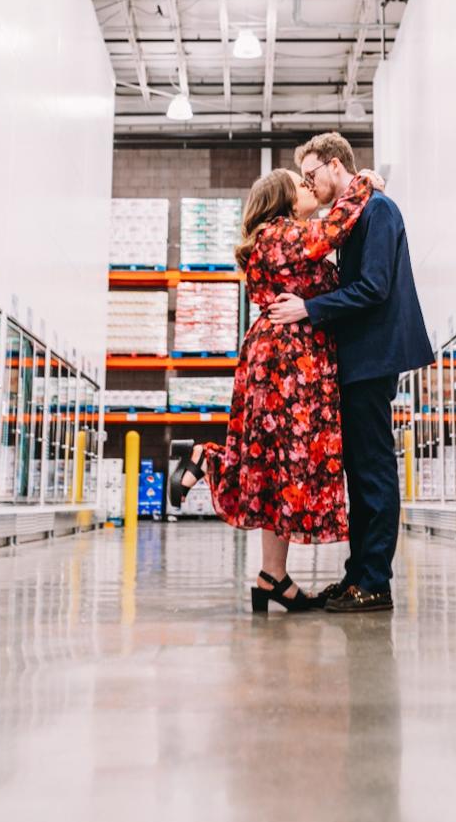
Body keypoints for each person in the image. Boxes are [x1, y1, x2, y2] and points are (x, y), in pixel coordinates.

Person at [170, 165, 374, 613]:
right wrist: (362, 183)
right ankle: (210, 458)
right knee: (287, 456)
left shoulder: (280, 237)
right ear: (282, 199)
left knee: (276, 463)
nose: (308, 187)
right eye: (301, 184)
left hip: (283, 357)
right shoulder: (276, 233)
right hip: (288, 360)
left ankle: (272, 576)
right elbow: (333, 230)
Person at [268, 133, 434, 613]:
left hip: (374, 358)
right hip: (359, 360)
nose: (309, 184)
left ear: (337, 166)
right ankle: (358, 574)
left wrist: (309, 309)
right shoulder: (353, 215)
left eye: (313, 175)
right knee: (361, 474)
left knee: (374, 472)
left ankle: (375, 582)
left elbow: (375, 288)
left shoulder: (378, 212)